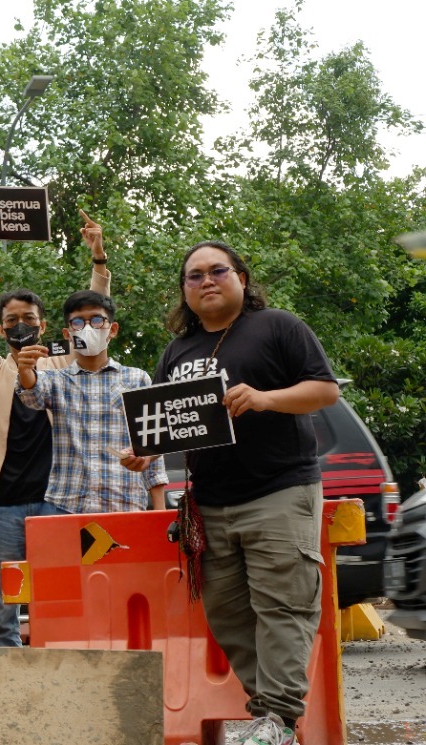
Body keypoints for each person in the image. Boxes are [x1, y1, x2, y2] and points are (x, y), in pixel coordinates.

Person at [153, 241, 338, 745]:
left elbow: (325, 391)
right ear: (185, 291)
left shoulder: (278, 326)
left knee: (283, 608)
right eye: (195, 276)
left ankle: (277, 721)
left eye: (218, 270)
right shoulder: (177, 351)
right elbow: (166, 426)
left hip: (278, 491)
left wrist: (264, 398)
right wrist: (143, 452)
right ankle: (270, 720)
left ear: (240, 277)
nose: (207, 280)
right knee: (229, 616)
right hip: (210, 504)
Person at [0, 208, 112, 648]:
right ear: (1, 328)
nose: (20, 326)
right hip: (4, 503)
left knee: (58, 594)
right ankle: (8, 664)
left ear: (43, 325)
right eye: (11, 320)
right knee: (6, 600)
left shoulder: (63, 364)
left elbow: (93, 316)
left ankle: (57, 658)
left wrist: (98, 261)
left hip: (57, 499)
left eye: (28, 319)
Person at [16, 290, 169, 512]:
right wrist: (25, 370)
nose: (87, 327)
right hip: (66, 506)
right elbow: (32, 395)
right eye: (78, 322)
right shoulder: (56, 381)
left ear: (112, 329)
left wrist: (160, 511)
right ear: (67, 334)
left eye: (97, 320)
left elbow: (153, 446)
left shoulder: (137, 379)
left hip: (124, 504)